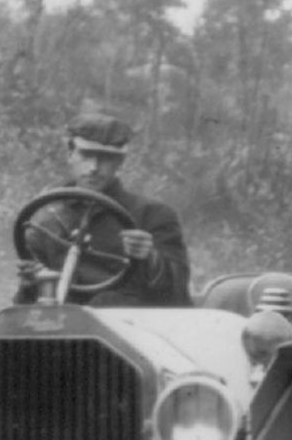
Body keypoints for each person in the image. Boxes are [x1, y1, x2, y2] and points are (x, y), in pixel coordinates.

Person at [15, 111, 192, 308]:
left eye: (106, 158)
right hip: (63, 326)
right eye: (86, 155)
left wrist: (149, 257)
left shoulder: (152, 215)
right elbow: (27, 305)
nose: (94, 167)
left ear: (119, 162)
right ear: (70, 154)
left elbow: (178, 293)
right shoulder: (46, 218)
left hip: (126, 326)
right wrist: (30, 283)